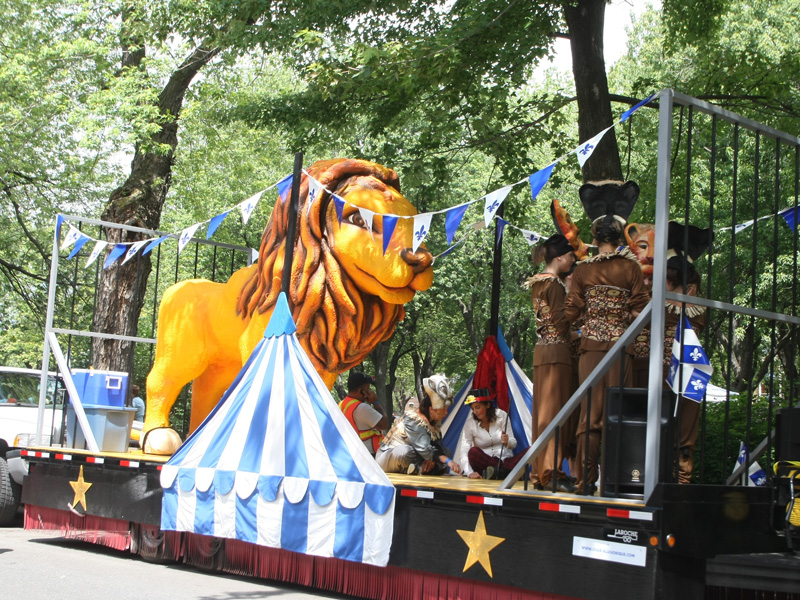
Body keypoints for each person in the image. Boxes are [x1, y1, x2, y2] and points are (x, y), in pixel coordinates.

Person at [564, 181, 650, 495]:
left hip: (590, 351)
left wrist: (588, 316)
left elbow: (571, 312)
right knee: (618, 414)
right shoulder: (631, 269)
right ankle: (614, 483)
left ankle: (585, 483)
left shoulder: (583, 271)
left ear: (596, 236)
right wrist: (622, 324)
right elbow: (642, 310)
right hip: (620, 352)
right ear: (618, 236)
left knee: (589, 417)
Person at [527, 234, 577, 492]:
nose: (572, 260)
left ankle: (540, 473)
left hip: (541, 353)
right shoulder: (555, 286)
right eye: (570, 255)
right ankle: (551, 473)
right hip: (558, 354)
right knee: (556, 415)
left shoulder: (537, 284)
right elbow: (561, 323)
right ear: (559, 257)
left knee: (542, 416)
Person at [663, 222, 713, 484]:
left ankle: (681, 482)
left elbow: (693, 323)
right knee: (661, 428)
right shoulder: (660, 301)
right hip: (662, 370)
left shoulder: (696, 305)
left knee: (685, 435)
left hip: (689, 369)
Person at [376, 374, 462, 476]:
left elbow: (437, 447)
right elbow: (424, 449)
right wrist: (447, 461)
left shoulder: (435, 423)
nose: (446, 413)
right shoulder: (412, 419)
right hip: (389, 457)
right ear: (431, 409)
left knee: (446, 452)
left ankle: (419, 468)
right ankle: (419, 468)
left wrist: (434, 459)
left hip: (419, 456)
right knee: (406, 452)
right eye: (442, 409)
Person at [459, 388, 525, 479]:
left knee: (530, 450)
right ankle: (506, 473)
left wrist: (507, 441)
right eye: (473, 408)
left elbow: (513, 444)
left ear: (488, 405)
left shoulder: (502, 415)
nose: (475, 412)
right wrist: (469, 472)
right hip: (485, 465)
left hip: (506, 461)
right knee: (473, 452)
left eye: (477, 407)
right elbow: (464, 450)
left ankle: (499, 473)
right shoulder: (470, 424)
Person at [339, 370, 388, 456]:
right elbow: (384, 424)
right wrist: (376, 403)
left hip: (352, 452)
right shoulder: (362, 408)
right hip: (369, 455)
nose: (370, 391)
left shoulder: (341, 404)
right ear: (361, 391)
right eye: (368, 389)